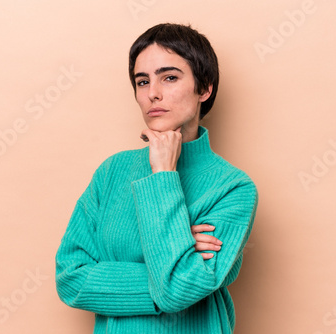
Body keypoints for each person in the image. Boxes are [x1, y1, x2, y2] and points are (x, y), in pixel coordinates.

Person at [55, 23, 258, 333]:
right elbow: (70, 279)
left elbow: (178, 290)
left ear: (204, 88)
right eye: (142, 81)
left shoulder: (233, 188)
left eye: (170, 77)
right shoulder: (112, 172)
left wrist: (164, 173)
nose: (153, 93)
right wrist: (181, 248)